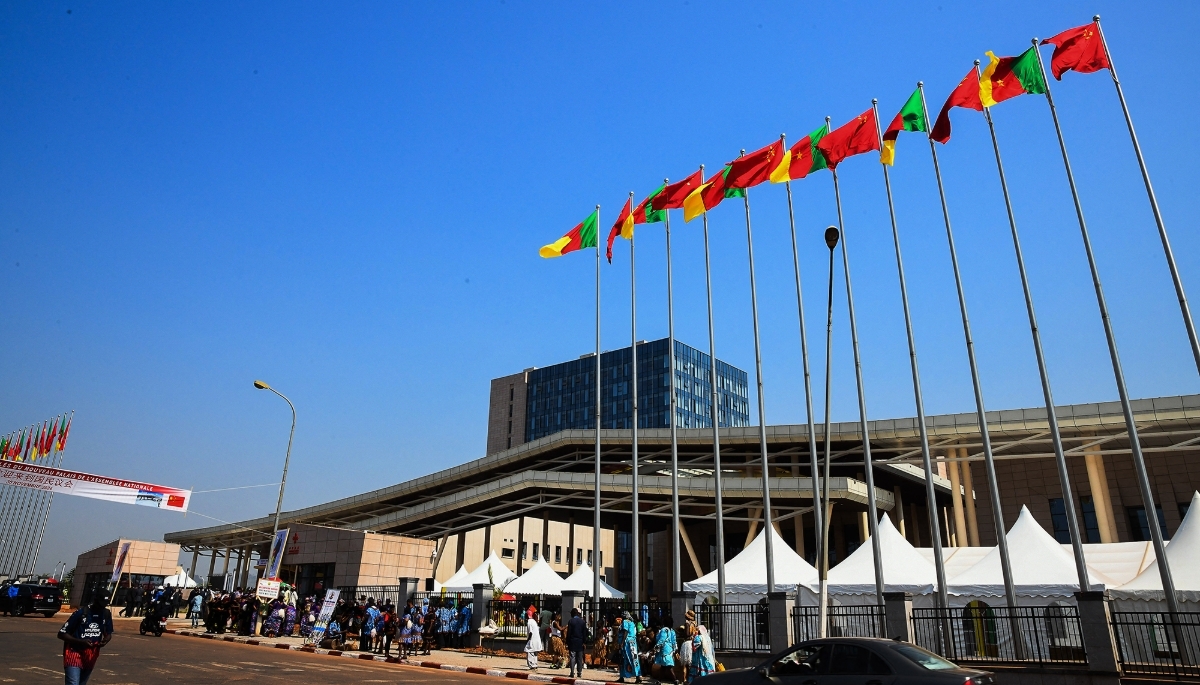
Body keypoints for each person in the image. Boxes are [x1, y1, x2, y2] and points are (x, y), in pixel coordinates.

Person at [58, 594, 113, 685]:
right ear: (95, 600)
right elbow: (61, 634)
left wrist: (106, 640)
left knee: (82, 683)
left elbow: (108, 633)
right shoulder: (82, 613)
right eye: (100, 604)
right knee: (73, 682)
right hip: (74, 652)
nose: (101, 607)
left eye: (104, 605)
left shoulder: (106, 614)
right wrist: (80, 641)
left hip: (91, 654)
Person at [652, 616, 678, 684]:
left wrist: (656, 647)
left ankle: (675, 680)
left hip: (665, 650)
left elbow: (662, 639)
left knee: (668, 666)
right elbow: (674, 641)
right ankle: (659, 681)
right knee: (664, 666)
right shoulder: (672, 630)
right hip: (670, 650)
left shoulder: (664, 630)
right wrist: (675, 649)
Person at [617, 613, 641, 684]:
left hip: (627, 643)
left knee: (624, 658)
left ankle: (622, 677)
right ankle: (638, 676)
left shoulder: (625, 622)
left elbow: (625, 631)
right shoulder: (632, 623)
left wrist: (622, 643)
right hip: (633, 643)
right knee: (634, 659)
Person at [565, 607, 587, 677]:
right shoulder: (582, 622)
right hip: (580, 642)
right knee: (579, 658)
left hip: (572, 641)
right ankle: (579, 673)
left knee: (572, 657)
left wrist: (567, 642)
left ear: (572, 614)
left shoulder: (571, 621)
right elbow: (584, 633)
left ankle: (572, 672)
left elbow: (569, 633)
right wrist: (584, 642)